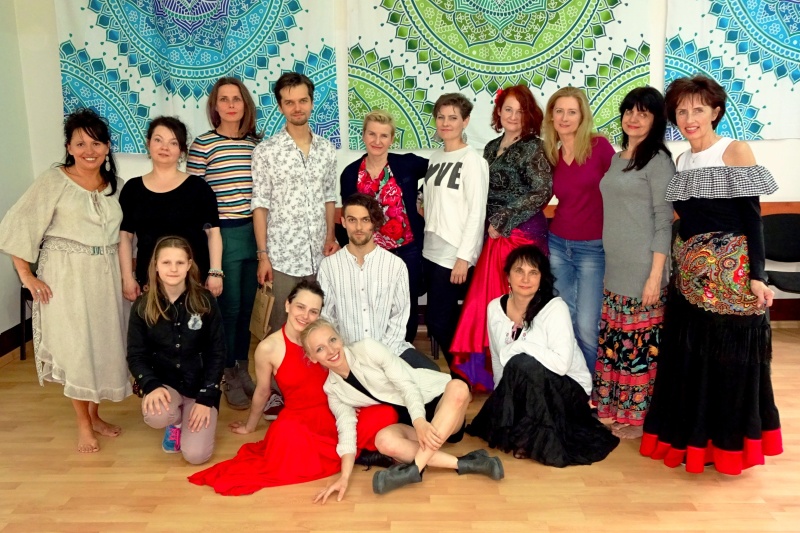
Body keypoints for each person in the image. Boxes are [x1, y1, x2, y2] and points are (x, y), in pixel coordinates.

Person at [640, 75, 782, 474]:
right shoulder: (682, 161)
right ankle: (694, 444)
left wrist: (758, 275)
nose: (690, 119)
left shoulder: (734, 151)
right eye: (681, 111)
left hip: (731, 281)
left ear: (715, 112)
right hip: (689, 281)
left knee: (729, 365)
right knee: (694, 365)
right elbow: (685, 221)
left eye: (698, 110)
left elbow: (752, 219)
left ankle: (727, 450)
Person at [0, 108, 131, 453]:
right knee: (77, 348)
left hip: (105, 277)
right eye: (80, 143)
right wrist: (27, 275)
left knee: (101, 345)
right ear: (69, 147)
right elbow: (18, 223)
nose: (89, 150)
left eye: (96, 143)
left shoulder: (114, 187)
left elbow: (124, 237)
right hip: (66, 276)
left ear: (107, 147)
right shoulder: (54, 180)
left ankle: (96, 415)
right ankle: (83, 423)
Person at [188, 281, 397, 495]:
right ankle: (359, 453)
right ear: (287, 305)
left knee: (386, 414)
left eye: (313, 311)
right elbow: (263, 391)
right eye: (300, 307)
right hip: (300, 420)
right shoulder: (268, 348)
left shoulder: (324, 337)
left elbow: (349, 372)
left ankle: (352, 452)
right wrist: (250, 426)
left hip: (338, 409)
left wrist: (353, 401)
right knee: (287, 437)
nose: (305, 316)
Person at [302, 319, 503, 502]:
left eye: (332, 340)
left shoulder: (367, 349)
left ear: (340, 338)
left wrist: (420, 421)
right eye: (320, 349)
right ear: (312, 358)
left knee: (459, 388)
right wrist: (344, 478)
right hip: (410, 424)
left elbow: (407, 385)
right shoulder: (333, 390)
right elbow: (346, 431)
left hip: (436, 403)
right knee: (383, 441)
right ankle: (466, 463)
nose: (331, 350)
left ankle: (414, 469)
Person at [466, 246, 619, 467]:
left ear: (541, 278)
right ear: (508, 275)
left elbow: (561, 365)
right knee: (519, 365)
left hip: (569, 388)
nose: (525, 279)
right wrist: (504, 400)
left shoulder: (555, 308)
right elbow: (499, 359)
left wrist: (520, 346)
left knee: (523, 362)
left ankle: (535, 440)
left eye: (533, 272)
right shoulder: (495, 308)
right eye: (519, 271)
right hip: (530, 383)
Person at [450, 84, 553, 391]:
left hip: (521, 235)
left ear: (530, 115)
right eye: (508, 109)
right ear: (499, 112)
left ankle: (521, 376)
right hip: (493, 234)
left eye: (520, 111)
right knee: (491, 304)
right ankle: (491, 373)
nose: (513, 116)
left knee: (518, 304)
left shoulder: (535, 147)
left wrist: (504, 217)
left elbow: (542, 191)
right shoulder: (491, 146)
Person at [251, 72, 340, 415]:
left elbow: (330, 198)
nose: (297, 107)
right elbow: (260, 205)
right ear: (280, 106)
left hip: (319, 255)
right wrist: (263, 255)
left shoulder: (326, 150)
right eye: (289, 102)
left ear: (312, 102)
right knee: (281, 327)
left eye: (303, 100)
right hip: (282, 256)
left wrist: (330, 238)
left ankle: (317, 390)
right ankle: (277, 392)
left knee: (317, 325)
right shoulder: (266, 151)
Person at [592, 87, 675, 439]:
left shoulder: (658, 161)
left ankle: (639, 417)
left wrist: (655, 276)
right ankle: (615, 408)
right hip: (615, 267)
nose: (634, 118)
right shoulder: (617, 159)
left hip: (644, 268)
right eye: (629, 111)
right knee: (618, 344)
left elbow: (664, 220)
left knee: (639, 347)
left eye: (643, 113)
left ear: (656, 120)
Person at [188, 77, 262, 410]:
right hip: (223, 236)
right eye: (224, 99)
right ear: (215, 106)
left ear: (245, 104)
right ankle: (226, 372)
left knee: (248, 310)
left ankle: (242, 368)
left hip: (254, 233)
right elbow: (193, 198)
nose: (231, 105)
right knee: (228, 310)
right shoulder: (204, 144)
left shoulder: (256, 144)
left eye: (237, 99)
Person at [127, 236, 225, 464]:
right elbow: (136, 355)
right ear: (156, 266)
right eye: (166, 262)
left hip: (199, 387)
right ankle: (176, 423)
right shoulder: (142, 306)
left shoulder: (205, 301)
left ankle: (193, 415)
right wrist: (150, 385)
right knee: (156, 415)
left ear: (189, 265)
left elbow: (217, 352)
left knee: (196, 456)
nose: (173, 269)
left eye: (180, 263)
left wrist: (206, 399)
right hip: (165, 385)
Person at [318, 193, 438, 372]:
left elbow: (399, 317)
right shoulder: (329, 267)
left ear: (374, 223)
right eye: (352, 220)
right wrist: (345, 354)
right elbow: (327, 317)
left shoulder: (395, 265)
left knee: (434, 376)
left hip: (391, 350)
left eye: (365, 220)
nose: (359, 227)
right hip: (347, 354)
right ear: (343, 222)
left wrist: (381, 357)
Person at [542, 87, 615, 375]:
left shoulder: (599, 147)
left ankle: (595, 386)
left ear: (582, 116)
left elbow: (621, 191)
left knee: (587, 324)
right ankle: (573, 383)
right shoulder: (552, 153)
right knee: (565, 319)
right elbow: (540, 196)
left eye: (572, 112)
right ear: (551, 116)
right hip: (558, 244)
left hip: (593, 249)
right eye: (559, 111)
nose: (564, 117)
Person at [340, 110, 428, 343]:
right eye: (372, 134)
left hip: (407, 250)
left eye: (384, 135)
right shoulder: (350, 174)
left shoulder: (407, 164)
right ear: (363, 135)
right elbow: (348, 217)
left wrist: (421, 197)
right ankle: (374, 351)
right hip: (369, 253)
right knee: (371, 304)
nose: (377, 141)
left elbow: (439, 172)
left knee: (406, 303)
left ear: (392, 139)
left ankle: (404, 349)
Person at [120, 116, 222, 302]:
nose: (164, 147)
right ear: (148, 144)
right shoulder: (132, 189)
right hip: (150, 284)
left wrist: (215, 272)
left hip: (193, 282)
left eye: (173, 143)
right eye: (158, 140)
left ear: (182, 150)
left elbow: (213, 233)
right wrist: (127, 277)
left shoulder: (198, 188)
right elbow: (125, 237)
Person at [422, 93, 489, 372]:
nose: (445, 123)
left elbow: (477, 212)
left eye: (453, 117)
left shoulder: (473, 161)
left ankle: (463, 376)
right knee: (440, 319)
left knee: (438, 320)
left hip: (453, 254)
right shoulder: (435, 157)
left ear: (465, 121)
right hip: (430, 249)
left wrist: (464, 257)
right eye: (441, 117)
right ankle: (462, 375)